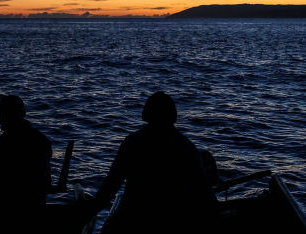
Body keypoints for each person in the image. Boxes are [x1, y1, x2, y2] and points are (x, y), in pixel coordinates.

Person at [90, 92, 217, 223]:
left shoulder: (132, 143)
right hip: (162, 219)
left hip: (143, 218)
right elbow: (205, 190)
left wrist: (89, 210)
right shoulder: (185, 147)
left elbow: (111, 186)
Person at [0, 94, 53, 210]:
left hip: (6, 205)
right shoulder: (42, 141)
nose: (1, 121)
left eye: (4, 117)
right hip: (35, 205)